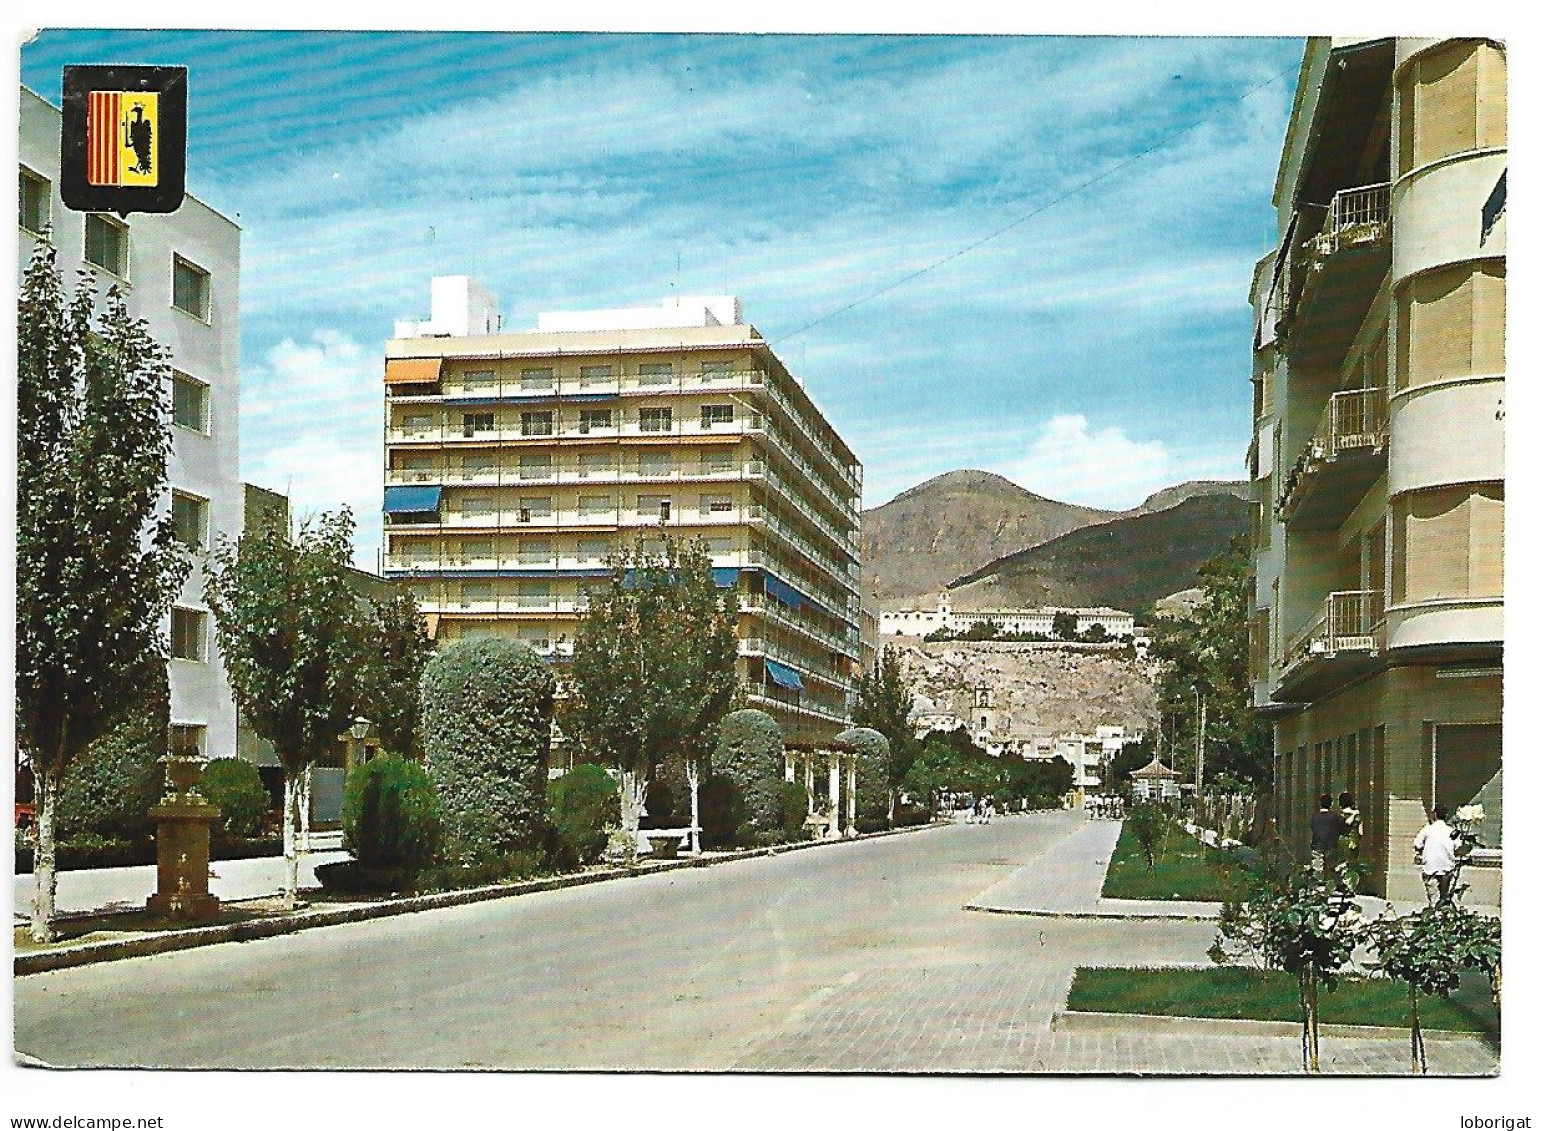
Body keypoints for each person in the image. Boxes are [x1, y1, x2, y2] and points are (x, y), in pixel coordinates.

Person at [1413, 805, 1460, 906]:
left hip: (1430, 868)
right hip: (1447, 869)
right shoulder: (1451, 831)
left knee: (1433, 899)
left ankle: (1434, 917)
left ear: (1434, 814)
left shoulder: (1428, 829)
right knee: (1445, 898)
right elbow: (1458, 847)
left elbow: (1417, 844)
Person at [1308, 793, 1344, 876]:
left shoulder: (1315, 817)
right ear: (1330, 804)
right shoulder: (1334, 817)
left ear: (1320, 804)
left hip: (1317, 845)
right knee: (1331, 870)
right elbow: (1341, 829)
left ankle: (1319, 885)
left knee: (1317, 872)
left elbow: (1312, 827)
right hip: (1331, 846)